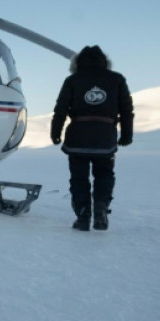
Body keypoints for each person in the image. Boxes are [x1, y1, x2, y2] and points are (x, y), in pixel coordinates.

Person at [50, 45, 134, 231]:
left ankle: (83, 216)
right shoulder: (117, 79)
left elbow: (60, 109)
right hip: (105, 138)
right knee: (104, 174)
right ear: (105, 62)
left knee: (79, 178)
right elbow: (126, 110)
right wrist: (126, 135)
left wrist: (55, 133)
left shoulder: (72, 80)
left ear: (77, 63)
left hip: (77, 138)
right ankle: (101, 209)